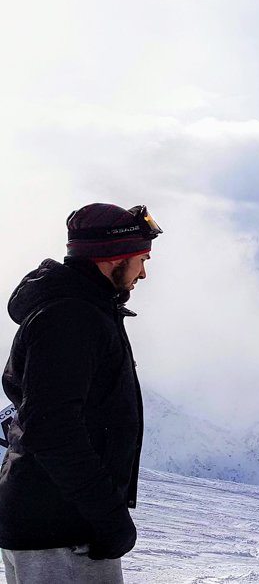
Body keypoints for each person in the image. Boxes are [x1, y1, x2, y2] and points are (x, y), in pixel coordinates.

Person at [0, 203, 162, 584]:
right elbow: (52, 429)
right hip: (59, 533)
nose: (144, 273)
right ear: (113, 258)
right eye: (141, 259)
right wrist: (107, 515)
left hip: (56, 524)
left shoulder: (81, 309)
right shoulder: (71, 317)